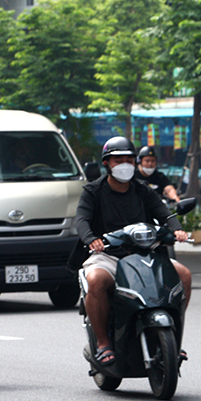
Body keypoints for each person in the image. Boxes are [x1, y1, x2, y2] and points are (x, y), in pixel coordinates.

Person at [74, 137, 190, 365]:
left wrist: (177, 230)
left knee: (183, 275)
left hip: (145, 256)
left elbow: (165, 213)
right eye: (119, 160)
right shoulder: (93, 191)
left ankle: (174, 340)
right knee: (96, 280)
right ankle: (103, 342)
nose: (125, 164)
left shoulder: (143, 190)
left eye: (129, 159)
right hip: (108, 256)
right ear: (107, 163)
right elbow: (82, 219)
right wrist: (91, 239)